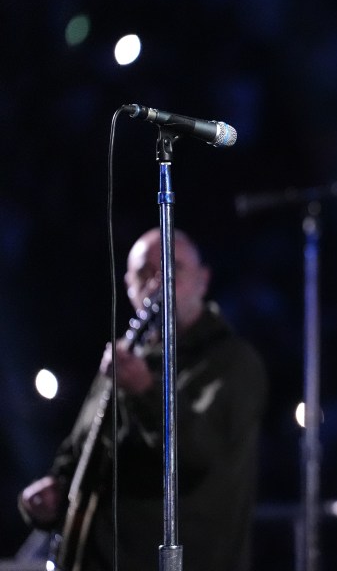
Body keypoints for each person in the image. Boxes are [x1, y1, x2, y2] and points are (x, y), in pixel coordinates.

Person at [18, 227, 268, 571]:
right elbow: (83, 448)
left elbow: (200, 452)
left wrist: (146, 391)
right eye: (144, 273)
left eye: (173, 268)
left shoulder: (232, 361)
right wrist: (54, 493)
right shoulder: (125, 357)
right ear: (128, 285)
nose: (157, 283)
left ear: (202, 279)